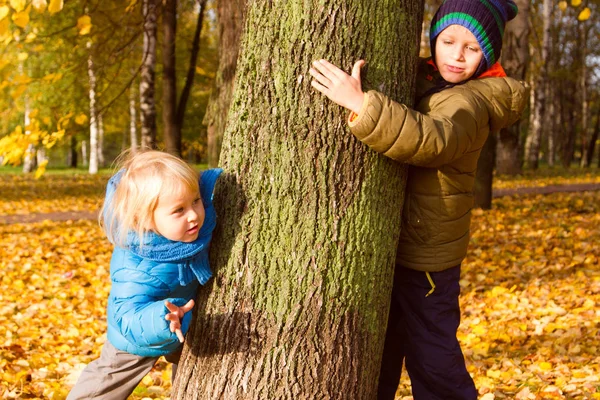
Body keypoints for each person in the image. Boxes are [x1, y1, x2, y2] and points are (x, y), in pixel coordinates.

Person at [309, 0, 527, 398]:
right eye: (448, 41)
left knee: (432, 353)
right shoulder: (433, 81)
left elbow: (434, 140)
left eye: (472, 48)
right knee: (384, 345)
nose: (457, 56)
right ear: (434, 38)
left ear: (488, 55)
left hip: (429, 258)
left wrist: (361, 104)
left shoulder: (470, 101)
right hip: (410, 242)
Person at [67, 150, 222, 400]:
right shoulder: (136, 267)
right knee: (107, 381)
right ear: (145, 220)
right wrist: (163, 318)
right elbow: (128, 315)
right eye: (179, 210)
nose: (194, 214)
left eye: (195, 201)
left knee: (189, 365)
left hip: (182, 317)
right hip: (138, 331)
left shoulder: (189, 229)